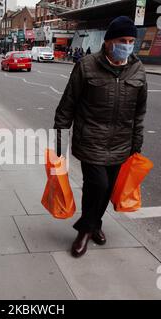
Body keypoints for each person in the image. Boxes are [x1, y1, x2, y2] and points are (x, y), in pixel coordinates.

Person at [54, 16, 147, 258]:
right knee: (98, 185)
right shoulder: (86, 66)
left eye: (130, 41)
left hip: (121, 143)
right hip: (91, 140)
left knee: (105, 191)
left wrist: (137, 142)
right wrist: (59, 145)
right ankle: (85, 230)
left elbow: (140, 111)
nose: (127, 45)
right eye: (121, 40)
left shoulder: (138, 69)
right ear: (107, 42)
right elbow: (67, 106)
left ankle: (95, 224)